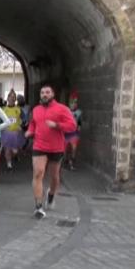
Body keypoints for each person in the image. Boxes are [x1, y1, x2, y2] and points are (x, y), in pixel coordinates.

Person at [26, 84, 77, 218]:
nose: (44, 95)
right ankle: (38, 206)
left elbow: (72, 126)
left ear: (53, 94)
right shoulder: (36, 109)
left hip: (56, 147)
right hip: (39, 146)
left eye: (47, 92)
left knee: (54, 176)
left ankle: (51, 194)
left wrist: (57, 125)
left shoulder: (62, 109)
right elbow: (33, 123)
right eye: (42, 92)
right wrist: (30, 131)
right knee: (38, 173)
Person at [1, 90, 25, 170]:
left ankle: (14, 156)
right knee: (7, 149)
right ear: (7, 99)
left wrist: (21, 125)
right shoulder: (3, 109)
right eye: (10, 97)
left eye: (13, 97)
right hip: (6, 132)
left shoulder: (19, 109)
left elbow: (24, 119)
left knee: (15, 151)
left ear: (15, 99)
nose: (11, 99)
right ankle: (9, 164)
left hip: (16, 133)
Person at [65, 93, 83, 171]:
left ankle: (71, 163)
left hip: (74, 133)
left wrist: (79, 127)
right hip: (66, 132)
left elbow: (79, 121)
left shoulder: (79, 112)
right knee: (65, 149)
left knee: (74, 148)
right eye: (72, 102)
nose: (73, 104)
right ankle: (66, 161)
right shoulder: (66, 111)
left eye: (75, 103)